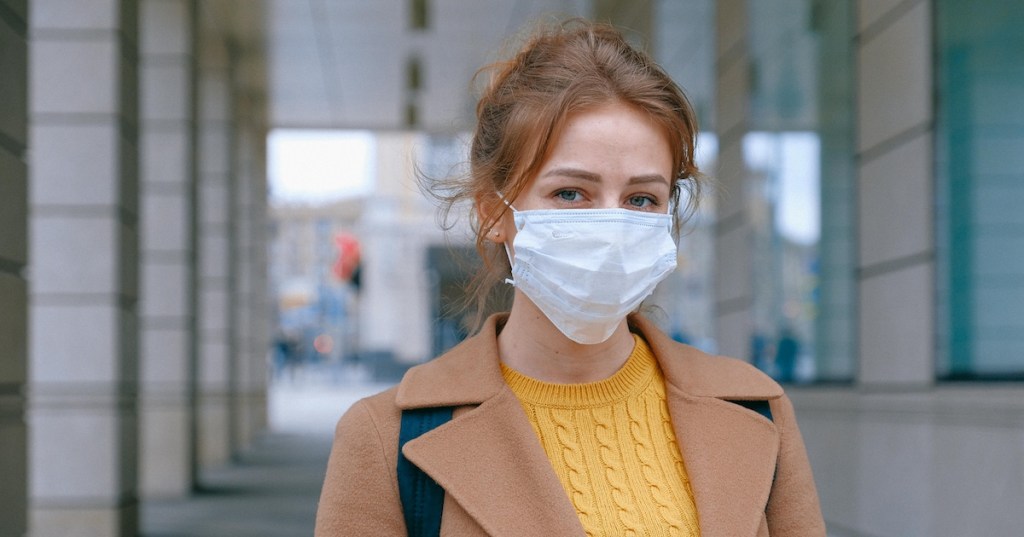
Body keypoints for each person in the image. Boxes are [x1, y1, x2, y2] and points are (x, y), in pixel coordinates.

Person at [315, 19, 825, 536]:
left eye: (641, 199)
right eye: (571, 193)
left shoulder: (758, 411)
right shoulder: (387, 439)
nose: (610, 224)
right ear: (494, 212)